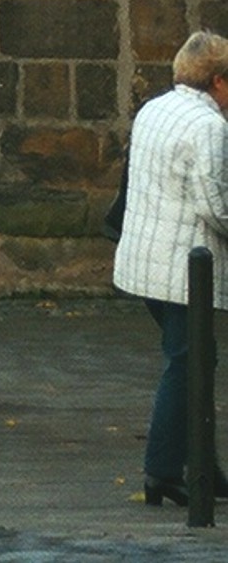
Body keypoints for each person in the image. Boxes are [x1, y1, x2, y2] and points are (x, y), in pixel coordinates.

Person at [113, 30, 228, 508]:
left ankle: (201, 465)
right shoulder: (209, 127)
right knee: (187, 363)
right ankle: (163, 469)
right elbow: (216, 204)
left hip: (146, 264)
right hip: (183, 269)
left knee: (194, 360)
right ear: (218, 81)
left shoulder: (154, 109)